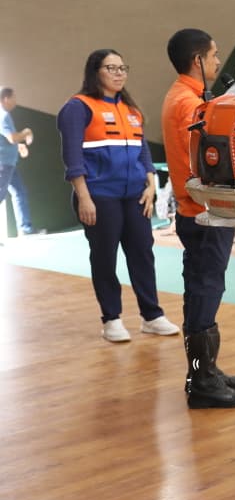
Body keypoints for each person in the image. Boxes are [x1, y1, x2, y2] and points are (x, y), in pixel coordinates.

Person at [57, 49, 180, 342]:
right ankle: (111, 319)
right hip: (99, 196)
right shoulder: (78, 107)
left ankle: (152, 316)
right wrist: (84, 197)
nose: (119, 73)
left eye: (122, 68)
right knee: (104, 258)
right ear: (95, 72)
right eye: (110, 68)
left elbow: (142, 150)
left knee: (142, 254)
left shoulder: (131, 109)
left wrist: (150, 184)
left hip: (135, 195)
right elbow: (72, 158)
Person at [161, 28, 235, 408]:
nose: (217, 61)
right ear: (197, 60)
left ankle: (205, 370)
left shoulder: (182, 96)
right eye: (213, 55)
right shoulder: (189, 105)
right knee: (206, 290)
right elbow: (208, 160)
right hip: (204, 212)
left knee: (201, 289)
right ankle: (201, 380)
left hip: (196, 211)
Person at [0, 87, 36, 236]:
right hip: (4, 164)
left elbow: (7, 138)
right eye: (14, 97)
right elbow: (12, 137)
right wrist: (27, 132)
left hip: (10, 163)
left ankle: (25, 229)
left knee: (20, 192)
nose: (16, 100)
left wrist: (19, 146)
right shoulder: (3, 115)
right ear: (6, 99)